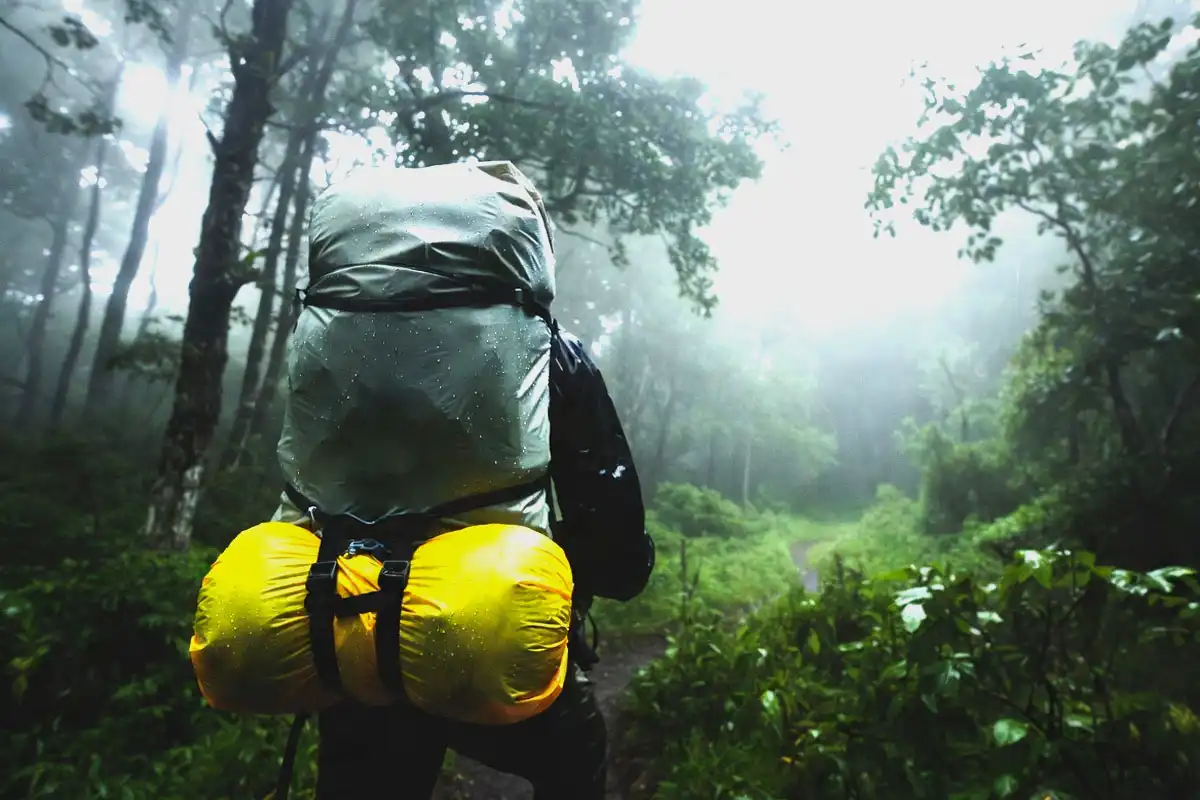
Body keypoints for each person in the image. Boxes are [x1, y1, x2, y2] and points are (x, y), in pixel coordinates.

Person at [268, 161, 655, 799]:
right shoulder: (549, 355)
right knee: (577, 748)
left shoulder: (332, 344)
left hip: (352, 634)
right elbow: (617, 558)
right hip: (492, 635)